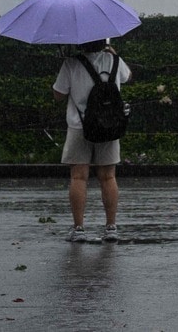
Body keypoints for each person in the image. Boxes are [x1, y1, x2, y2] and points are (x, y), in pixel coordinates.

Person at [52, 39, 131, 243]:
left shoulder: (71, 63)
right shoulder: (114, 60)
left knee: (79, 177)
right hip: (110, 125)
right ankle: (111, 227)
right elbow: (128, 76)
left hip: (80, 125)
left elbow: (58, 94)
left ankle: (79, 229)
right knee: (108, 176)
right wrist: (112, 54)